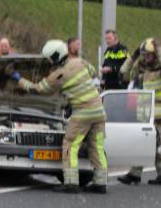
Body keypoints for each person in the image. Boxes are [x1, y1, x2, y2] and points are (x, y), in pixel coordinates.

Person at [10, 39, 108, 194]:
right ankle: (100, 183)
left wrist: (19, 79)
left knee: (70, 145)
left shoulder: (58, 75)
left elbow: (38, 89)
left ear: (54, 58)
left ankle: (71, 183)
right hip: (99, 111)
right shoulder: (80, 62)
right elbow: (93, 72)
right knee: (97, 147)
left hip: (82, 112)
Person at [117, 38, 161, 186]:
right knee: (149, 142)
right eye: (144, 54)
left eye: (149, 54)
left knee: (148, 141)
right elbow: (123, 74)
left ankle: (136, 174)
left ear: (156, 54)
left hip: (159, 110)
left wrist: (159, 48)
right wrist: (134, 56)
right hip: (144, 108)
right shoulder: (142, 65)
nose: (146, 57)